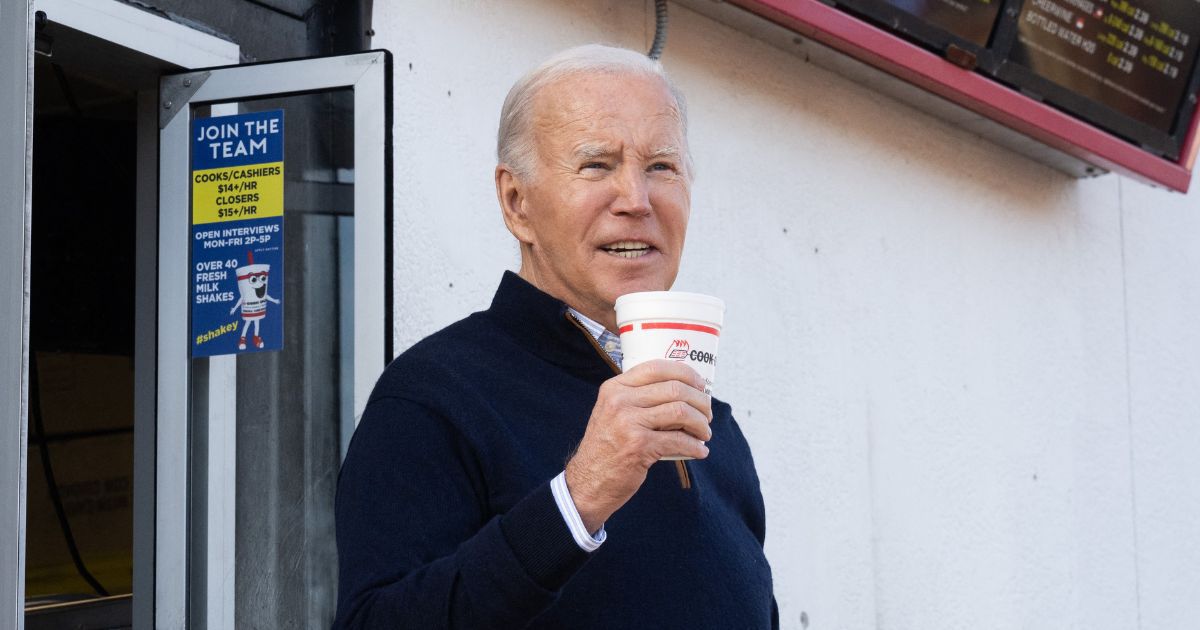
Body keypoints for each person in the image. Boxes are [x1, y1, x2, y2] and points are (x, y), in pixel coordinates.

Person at [333, 44, 777, 629]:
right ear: (517, 203)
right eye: (596, 165)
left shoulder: (714, 424)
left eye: (661, 167)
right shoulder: (435, 395)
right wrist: (578, 499)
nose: (636, 201)